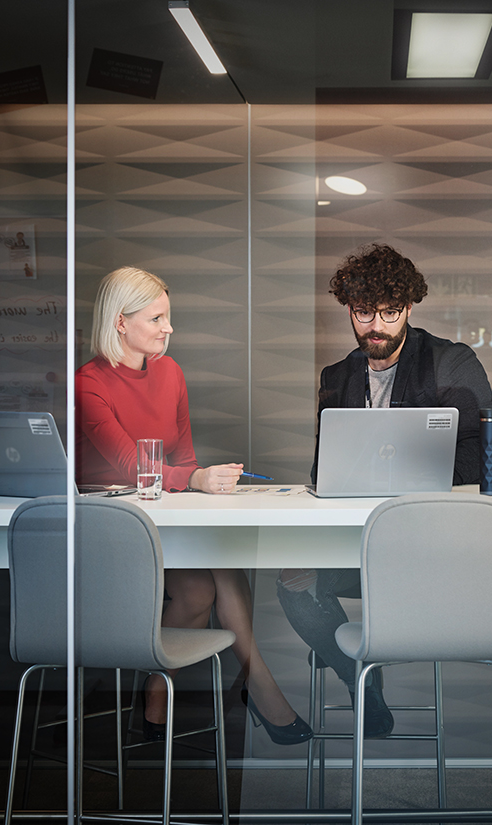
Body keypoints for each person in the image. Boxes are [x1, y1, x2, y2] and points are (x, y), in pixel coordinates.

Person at [76, 265, 312, 746]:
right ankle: (251, 684)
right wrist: (197, 479)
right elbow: (128, 464)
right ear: (120, 322)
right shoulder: (88, 382)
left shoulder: (171, 373)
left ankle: (167, 694)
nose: (168, 329)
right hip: (115, 531)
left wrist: (199, 478)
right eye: (157, 318)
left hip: (166, 522)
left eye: (169, 318)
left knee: (213, 578)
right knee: (207, 584)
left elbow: (181, 458)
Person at [277, 242, 492, 738]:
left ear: (409, 308)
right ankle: (360, 681)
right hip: (365, 550)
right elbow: (326, 470)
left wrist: (397, 482)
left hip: (432, 549)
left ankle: (358, 675)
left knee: (304, 579)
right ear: (349, 311)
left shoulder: (451, 364)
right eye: (363, 313)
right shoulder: (336, 377)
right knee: (293, 581)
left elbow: (482, 456)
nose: (376, 325)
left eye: (390, 312)